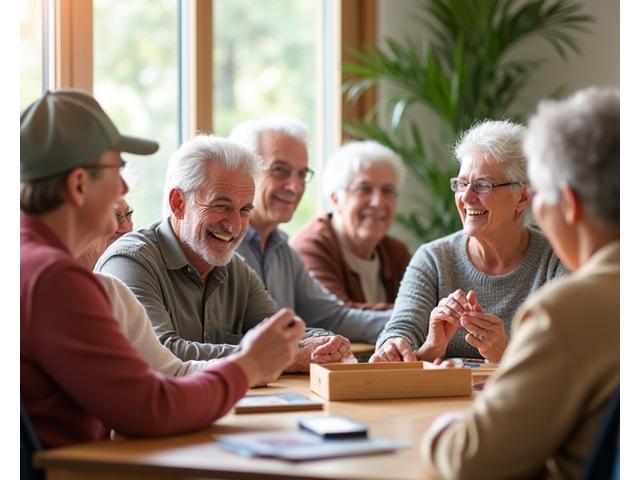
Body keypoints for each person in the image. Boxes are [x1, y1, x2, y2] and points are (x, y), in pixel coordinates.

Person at [20, 90, 304, 448]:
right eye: (115, 170)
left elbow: (165, 376)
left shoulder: (30, 262)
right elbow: (151, 409)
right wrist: (247, 366)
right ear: (79, 185)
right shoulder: (53, 280)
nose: (124, 187)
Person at [422, 87, 619, 479]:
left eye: (539, 195)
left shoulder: (568, 310)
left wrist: (444, 424)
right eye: (461, 184)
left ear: (569, 202)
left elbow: (468, 462)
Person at [96, 134, 349, 371]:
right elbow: (164, 356)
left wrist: (326, 342)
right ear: (178, 203)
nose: (235, 226)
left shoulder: (235, 269)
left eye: (244, 211)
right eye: (221, 206)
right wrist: (281, 357)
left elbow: (281, 332)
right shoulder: (130, 260)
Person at [371, 119, 567, 364]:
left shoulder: (557, 258)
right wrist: (429, 346)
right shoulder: (433, 258)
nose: (466, 197)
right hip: (442, 402)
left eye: (483, 185)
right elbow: (401, 329)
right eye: (462, 183)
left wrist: (505, 354)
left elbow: (568, 360)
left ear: (523, 197)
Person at [229, 117, 392, 345]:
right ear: (244, 173)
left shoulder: (284, 251)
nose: (295, 187)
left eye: (302, 174)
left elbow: (335, 317)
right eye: (280, 170)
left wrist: (412, 319)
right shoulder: (221, 248)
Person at [80, 199, 216, 376]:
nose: (126, 227)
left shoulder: (111, 291)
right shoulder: (127, 265)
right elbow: (171, 362)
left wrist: (247, 363)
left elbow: (173, 371)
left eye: (128, 215)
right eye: (112, 216)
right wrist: (246, 360)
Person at [290, 140, 411, 310]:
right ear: (335, 199)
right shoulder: (311, 247)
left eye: (387, 191)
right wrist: (410, 317)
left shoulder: (396, 253)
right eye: (364, 189)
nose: (378, 202)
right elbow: (335, 316)